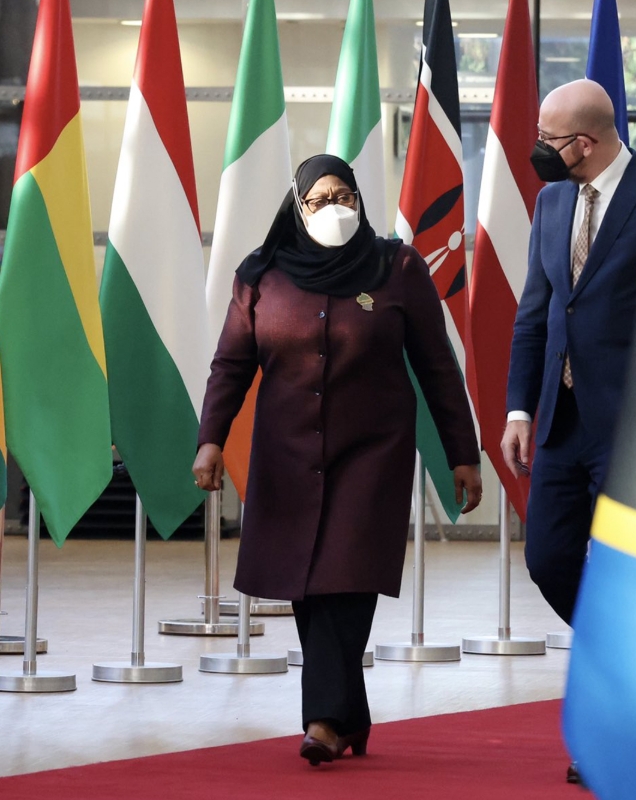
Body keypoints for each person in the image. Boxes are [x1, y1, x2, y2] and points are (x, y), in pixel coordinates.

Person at [193, 154, 481, 767]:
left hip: (372, 453)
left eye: (343, 195)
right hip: (287, 456)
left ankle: (324, 721)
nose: (333, 208)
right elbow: (231, 364)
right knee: (306, 582)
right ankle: (352, 715)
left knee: (347, 577)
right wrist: (210, 438)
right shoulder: (262, 274)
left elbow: (437, 365)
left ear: (359, 199)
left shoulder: (397, 267)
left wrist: (463, 452)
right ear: (298, 209)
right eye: (319, 199)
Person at [503, 80, 636, 629]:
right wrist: (519, 410)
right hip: (560, 422)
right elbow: (535, 314)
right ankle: (612, 648)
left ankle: (630, 665)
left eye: (548, 138)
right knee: (547, 559)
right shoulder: (551, 202)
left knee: (630, 565)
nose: (539, 148)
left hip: (632, 424)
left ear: (585, 143)